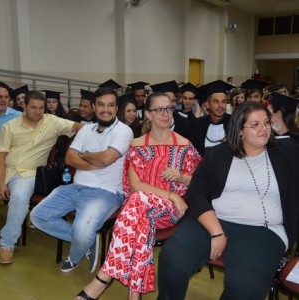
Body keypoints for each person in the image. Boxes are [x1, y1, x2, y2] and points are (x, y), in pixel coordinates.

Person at [157, 101, 299, 300]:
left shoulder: (286, 153)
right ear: (240, 130)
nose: (264, 129)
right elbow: (196, 193)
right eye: (255, 124)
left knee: (244, 289)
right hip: (213, 221)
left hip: (262, 231)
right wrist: (216, 232)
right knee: (172, 261)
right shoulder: (218, 155)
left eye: (266, 123)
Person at [75, 92, 201, 300]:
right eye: (159, 109)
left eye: (168, 108)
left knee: (136, 204)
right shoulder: (137, 145)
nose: (165, 113)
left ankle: (102, 280)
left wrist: (181, 177)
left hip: (171, 211)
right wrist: (170, 193)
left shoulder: (184, 145)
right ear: (148, 115)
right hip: (143, 208)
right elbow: (135, 185)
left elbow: (199, 181)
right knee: (139, 211)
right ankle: (134, 293)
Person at [30, 87, 133, 273]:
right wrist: (95, 160)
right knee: (37, 216)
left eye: (110, 105)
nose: (106, 109)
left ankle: (76, 254)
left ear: (116, 108)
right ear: (94, 106)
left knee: (83, 231)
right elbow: (70, 158)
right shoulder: (86, 130)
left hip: (106, 192)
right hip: (75, 187)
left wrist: (84, 155)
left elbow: (106, 159)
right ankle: (88, 241)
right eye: (101, 105)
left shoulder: (124, 131)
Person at [0, 90, 82, 264]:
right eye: (33, 107)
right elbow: (1, 157)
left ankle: (6, 244)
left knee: (20, 196)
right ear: (24, 106)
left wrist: (103, 132)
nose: (37, 111)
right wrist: (0, 183)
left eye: (41, 108)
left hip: (28, 175)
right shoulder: (9, 126)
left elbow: (78, 127)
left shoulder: (52, 122)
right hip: (6, 169)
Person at [194, 80, 234, 156]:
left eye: (224, 101)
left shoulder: (233, 122)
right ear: (207, 104)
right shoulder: (198, 124)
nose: (221, 106)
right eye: (216, 102)